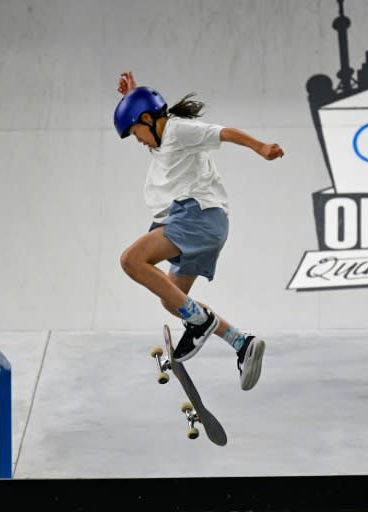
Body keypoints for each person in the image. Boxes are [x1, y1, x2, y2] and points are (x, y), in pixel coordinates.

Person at [114, 71, 284, 390]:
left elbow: (225, 133)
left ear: (149, 120)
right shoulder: (161, 132)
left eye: (137, 133)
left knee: (131, 261)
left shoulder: (180, 130)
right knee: (172, 298)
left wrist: (260, 147)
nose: (139, 142)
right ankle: (241, 343)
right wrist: (132, 97)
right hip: (200, 226)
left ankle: (199, 322)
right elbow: (147, 114)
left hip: (196, 216)